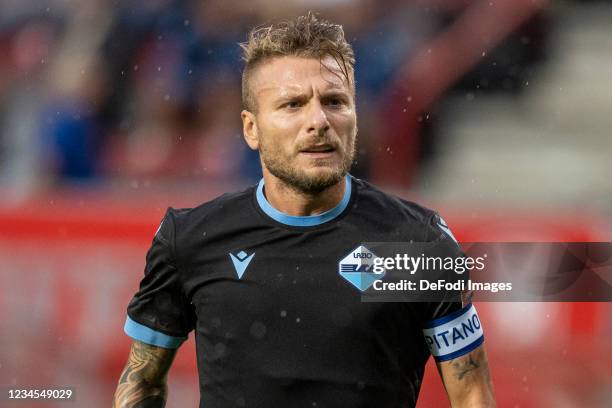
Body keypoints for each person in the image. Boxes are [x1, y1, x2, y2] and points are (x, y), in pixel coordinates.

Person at [112, 13, 495, 408]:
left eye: (334, 102)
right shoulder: (190, 238)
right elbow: (141, 383)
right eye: (292, 104)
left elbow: (471, 392)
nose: (318, 121)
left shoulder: (417, 244)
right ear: (251, 128)